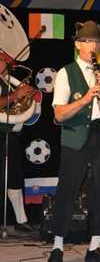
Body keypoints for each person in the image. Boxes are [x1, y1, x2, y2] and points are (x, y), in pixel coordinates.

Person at [47, 20, 100, 262]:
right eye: (89, 41)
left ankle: (94, 246)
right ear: (78, 44)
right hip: (76, 134)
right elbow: (59, 114)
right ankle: (57, 246)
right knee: (67, 190)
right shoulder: (65, 72)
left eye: (97, 42)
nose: (94, 46)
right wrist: (85, 99)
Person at [0, 55, 36, 233]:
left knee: (14, 177)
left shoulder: (5, 81)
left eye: (4, 62)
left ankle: (21, 220)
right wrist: (16, 95)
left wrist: (24, 95)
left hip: (11, 135)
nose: (3, 65)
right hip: (1, 134)